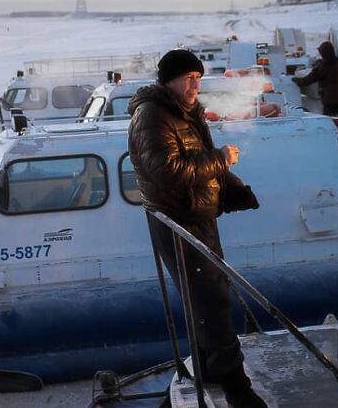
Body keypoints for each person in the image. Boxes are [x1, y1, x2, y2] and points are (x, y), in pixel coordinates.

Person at [128, 49, 265, 408]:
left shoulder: (185, 114)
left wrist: (234, 189)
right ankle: (236, 385)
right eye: (188, 77)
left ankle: (208, 367)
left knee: (207, 295)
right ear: (168, 80)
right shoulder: (152, 116)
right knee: (212, 300)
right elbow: (168, 172)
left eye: (198, 78)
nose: (194, 85)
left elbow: (200, 160)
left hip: (197, 217)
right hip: (178, 221)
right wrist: (221, 158)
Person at [291, 40, 338, 118]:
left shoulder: (324, 66)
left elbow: (311, 78)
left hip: (331, 100)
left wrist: (298, 80)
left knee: (331, 122)